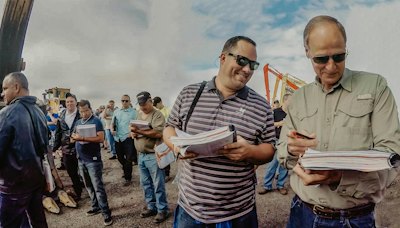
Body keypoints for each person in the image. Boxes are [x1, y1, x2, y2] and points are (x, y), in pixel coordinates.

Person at [277, 15, 400, 228]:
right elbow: (282, 151)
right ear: (307, 52)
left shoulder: (375, 88)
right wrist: (291, 150)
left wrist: (338, 178)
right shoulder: (298, 98)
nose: (332, 67)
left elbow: (391, 157)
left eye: (339, 56)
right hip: (301, 213)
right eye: (321, 59)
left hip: (354, 219)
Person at [163, 36, 276, 227]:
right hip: (190, 209)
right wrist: (176, 146)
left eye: (253, 65)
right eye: (242, 61)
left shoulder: (261, 106)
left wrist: (249, 152)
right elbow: (169, 127)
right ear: (223, 58)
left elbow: (269, 149)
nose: (247, 69)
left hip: (239, 212)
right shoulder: (189, 94)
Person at [0, 72, 48, 227]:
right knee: (38, 221)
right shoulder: (39, 111)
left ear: (16, 87)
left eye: (5, 88)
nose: (2, 93)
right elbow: (44, 146)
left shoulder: (7, 113)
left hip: (14, 187)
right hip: (36, 180)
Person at [71, 99, 113, 226]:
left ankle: (106, 213)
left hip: (93, 160)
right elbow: (72, 137)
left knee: (98, 187)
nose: (84, 113)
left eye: (86, 111)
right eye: (81, 111)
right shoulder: (78, 122)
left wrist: (83, 138)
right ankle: (95, 206)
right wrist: (74, 139)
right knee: (88, 186)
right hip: (81, 159)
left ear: (90, 109)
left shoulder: (96, 121)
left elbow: (101, 138)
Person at [131, 91, 169, 224]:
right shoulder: (138, 113)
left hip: (153, 155)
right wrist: (133, 134)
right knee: (146, 184)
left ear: (150, 101)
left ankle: (162, 209)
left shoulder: (157, 114)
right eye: (140, 104)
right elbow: (134, 128)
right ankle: (152, 207)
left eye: (144, 104)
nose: (142, 107)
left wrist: (139, 132)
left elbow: (158, 133)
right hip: (141, 156)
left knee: (158, 184)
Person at [259, 94, 291, 195]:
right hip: (277, 140)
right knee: (273, 164)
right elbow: (269, 124)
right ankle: (267, 186)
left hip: (287, 141)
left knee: (284, 165)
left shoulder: (292, 113)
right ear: (285, 100)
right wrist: (280, 123)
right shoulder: (276, 112)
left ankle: (280, 185)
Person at [53, 92, 83, 200]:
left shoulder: (81, 114)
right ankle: (78, 192)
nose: (69, 103)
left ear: (76, 103)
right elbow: (58, 132)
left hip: (79, 147)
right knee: (71, 172)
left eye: (71, 101)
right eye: (67, 102)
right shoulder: (62, 115)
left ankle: (89, 190)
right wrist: (54, 148)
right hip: (66, 148)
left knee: (83, 171)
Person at [111, 94, 137, 186]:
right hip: (118, 138)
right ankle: (125, 169)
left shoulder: (134, 112)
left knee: (129, 159)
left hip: (128, 138)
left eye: (126, 101)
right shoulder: (116, 111)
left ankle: (128, 177)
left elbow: (137, 124)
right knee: (120, 158)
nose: (124, 102)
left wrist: (133, 132)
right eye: (123, 100)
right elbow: (112, 123)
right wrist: (112, 129)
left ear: (130, 102)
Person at [153, 96, 172, 182]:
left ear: (160, 102)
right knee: (159, 153)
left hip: (165, 136)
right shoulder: (155, 112)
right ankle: (161, 172)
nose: (156, 107)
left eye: (156, 105)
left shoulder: (168, 110)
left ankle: (167, 174)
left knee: (165, 153)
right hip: (157, 136)